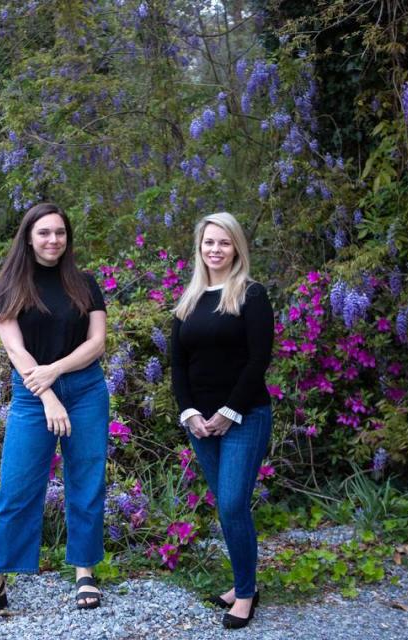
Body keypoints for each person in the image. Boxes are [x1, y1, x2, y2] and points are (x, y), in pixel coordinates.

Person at [0, 203, 110, 625]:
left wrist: (57, 371)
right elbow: (15, 349)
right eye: (44, 233)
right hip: (33, 397)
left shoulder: (84, 284)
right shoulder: (10, 286)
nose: (53, 240)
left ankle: (85, 570)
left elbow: (97, 342)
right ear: (28, 237)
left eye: (60, 233)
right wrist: (48, 393)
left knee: (86, 480)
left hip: (84, 390)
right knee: (18, 485)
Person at [169, 212, 274, 630]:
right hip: (201, 424)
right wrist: (190, 412)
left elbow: (258, 360)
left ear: (237, 248)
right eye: (208, 243)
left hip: (245, 416)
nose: (215, 250)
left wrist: (229, 412)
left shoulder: (251, 294)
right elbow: (178, 365)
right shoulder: (188, 300)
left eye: (224, 243)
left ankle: (245, 594)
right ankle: (241, 581)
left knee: (232, 502)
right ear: (200, 249)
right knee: (228, 508)